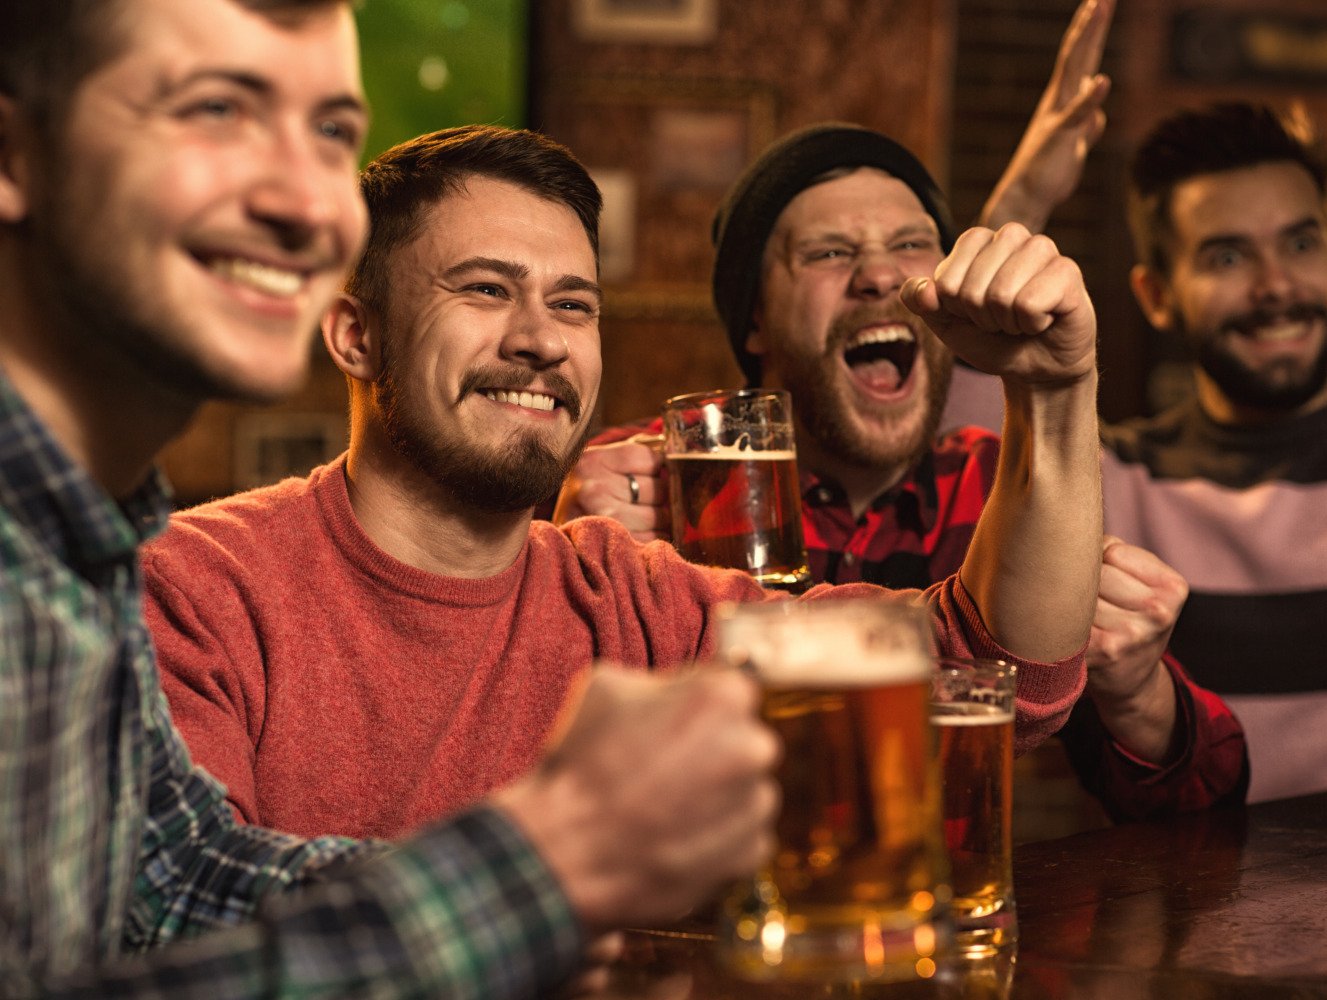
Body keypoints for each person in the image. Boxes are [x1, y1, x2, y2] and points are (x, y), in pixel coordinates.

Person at [0, 0, 784, 995]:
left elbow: (171, 878)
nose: (310, 205)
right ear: (16, 155)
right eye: (214, 111)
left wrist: (537, 894)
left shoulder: (78, 542)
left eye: (330, 133)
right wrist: (532, 870)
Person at [142, 120, 1104, 840]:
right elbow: (189, 918)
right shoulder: (195, 588)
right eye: (485, 288)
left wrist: (1056, 393)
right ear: (357, 335)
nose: (540, 339)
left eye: (573, 302)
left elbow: (999, 676)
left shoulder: (629, 597)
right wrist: (551, 871)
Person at [555, 0, 1247, 822]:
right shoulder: (654, 478)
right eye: (828, 252)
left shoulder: (1003, 485)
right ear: (755, 322)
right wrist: (573, 591)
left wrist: (1139, 696)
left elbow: (1210, 796)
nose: (880, 276)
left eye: (912, 245)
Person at [956, 99, 1327, 802]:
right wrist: (1022, 204)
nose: (1276, 285)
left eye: (1302, 244)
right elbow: (956, 453)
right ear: (1156, 295)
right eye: (1229, 256)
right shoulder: (1110, 485)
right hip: (1206, 909)